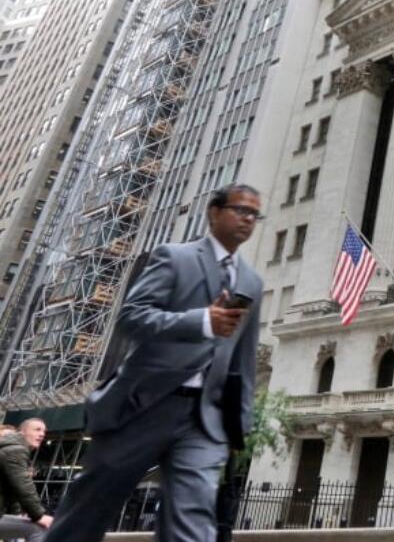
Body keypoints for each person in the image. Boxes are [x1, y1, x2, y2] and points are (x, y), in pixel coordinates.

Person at [45, 184, 265, 542]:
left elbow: (244, 359)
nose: (247, 219)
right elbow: (131, 318)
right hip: (142, 406)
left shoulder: (252, 282)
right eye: (240, 210)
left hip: (204, 420)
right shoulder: (174, 256)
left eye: (254, 214)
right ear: (214, 212)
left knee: (193, 522)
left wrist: (239, 425)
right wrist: (201, 322)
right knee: (86, 514)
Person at [0, 417, 52, 541]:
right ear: (22, 432)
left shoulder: (10, 449)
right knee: (39, 528)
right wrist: (38, 516)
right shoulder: (15, 450)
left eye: (44, 432)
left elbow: (13, 493)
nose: (41, 434)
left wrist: (18, 515)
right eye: (37, 430)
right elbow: (23, 486)